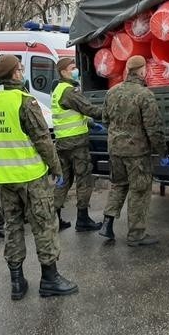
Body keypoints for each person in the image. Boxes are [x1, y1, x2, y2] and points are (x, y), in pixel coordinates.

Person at [0, 55, 78, 299]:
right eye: (20, 69)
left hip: (5, 179)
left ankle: (17, 282)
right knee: (44, 225)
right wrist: (56, 168)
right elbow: (43, 140)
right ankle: (50, 279)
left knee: (12, 228)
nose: (21, 72)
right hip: (32, 177)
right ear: (14, 74)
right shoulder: (25, 102)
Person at [98, 55, 167, 246]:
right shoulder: (144, 95)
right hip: (137, 152)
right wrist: (162, 152)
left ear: (128, 70)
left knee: (119, 185)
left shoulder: (111, 92)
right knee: (139, 190)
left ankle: (107, 224)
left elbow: (105, 119)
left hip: (115, 149)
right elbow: (153, 127)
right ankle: (136, 234)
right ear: (143, 70)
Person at [51, 57, 103, 232]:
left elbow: (71, 114)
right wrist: (111, 111)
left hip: (62, 143)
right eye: (72, 68)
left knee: (64, 180)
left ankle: (55, 219)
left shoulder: (57, 90)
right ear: (63, 72)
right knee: (84, 179)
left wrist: (89, 123)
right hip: (76, 144)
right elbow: (89, 109)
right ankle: (82, 219)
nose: (76, 71)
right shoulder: (69, 91)